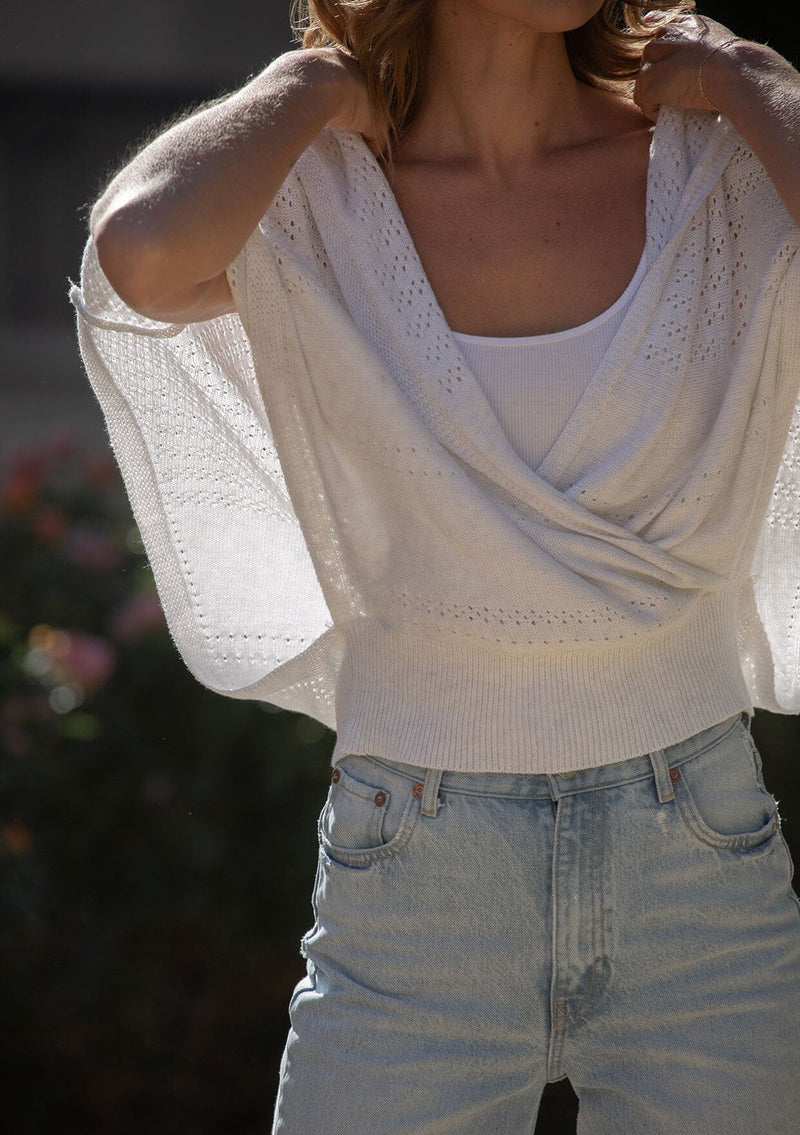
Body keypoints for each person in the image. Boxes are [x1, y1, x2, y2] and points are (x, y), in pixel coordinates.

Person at [71, 1, 800, 1131]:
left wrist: (756, 83)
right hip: (416, 865)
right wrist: (308, 88)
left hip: (696, 859)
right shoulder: (318, 199)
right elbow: (141, 254)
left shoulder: (714, 171)